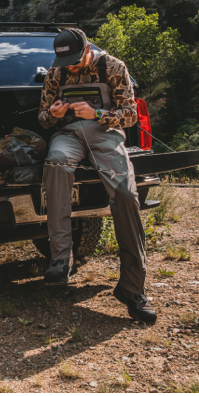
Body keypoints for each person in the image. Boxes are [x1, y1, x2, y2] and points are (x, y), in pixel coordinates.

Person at [37, 28, 156, 323]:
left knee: (126, 193)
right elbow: (43, 118)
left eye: (75, 61)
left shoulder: (113, 67)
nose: (70, 67)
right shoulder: (55, 73)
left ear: (88, 50)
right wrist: (53, 114)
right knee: (55, 163)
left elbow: (130, 114)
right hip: (68, 135)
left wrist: (98, 114)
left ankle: (132, 287)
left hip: (106, 134)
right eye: (65, 63)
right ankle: (60, 260)